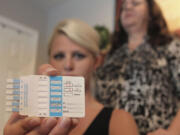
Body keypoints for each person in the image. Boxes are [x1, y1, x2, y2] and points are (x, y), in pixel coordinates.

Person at [4, 19, 139, 135]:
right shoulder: (32, 117)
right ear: (50, 60)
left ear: (97, 62)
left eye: (79, 55)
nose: (68, 65)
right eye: (59, 56)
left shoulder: (119, 119)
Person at [95, 0, 180, 135]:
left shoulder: (170, 45)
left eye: (135, 3)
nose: (127, 7)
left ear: (151, 13)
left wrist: (173, 132)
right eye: (123, 7)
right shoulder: (112, 55)